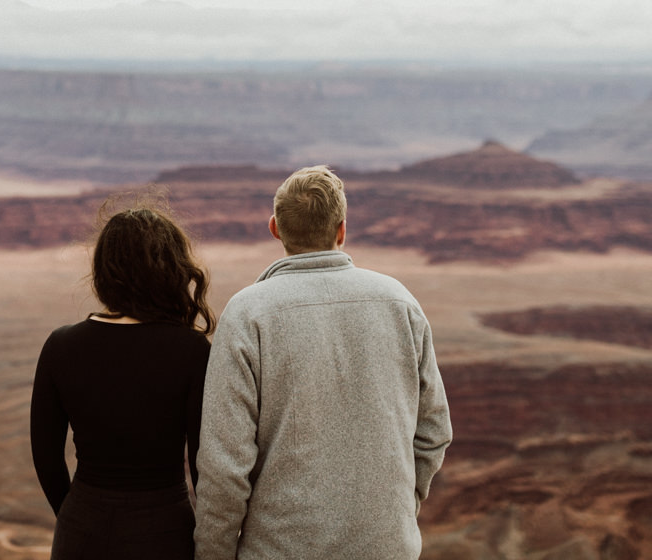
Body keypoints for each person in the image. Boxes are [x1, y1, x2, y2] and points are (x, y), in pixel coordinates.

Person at [194, 165, 452, 560]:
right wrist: (396, 512)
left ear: (275, 228)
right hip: (387, 548)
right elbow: (434, 432)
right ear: (342, 229)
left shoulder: (248, 314)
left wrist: (213, 553)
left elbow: (225, 465)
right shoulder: (399, 302)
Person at [31, 204, 216, 560]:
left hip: (81, 530)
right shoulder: (191, 350)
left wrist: (75, 517)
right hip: (164, 533)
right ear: (171, 270)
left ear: (104, 270)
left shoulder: (61, 346)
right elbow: (202, 467)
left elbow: (47, 459)